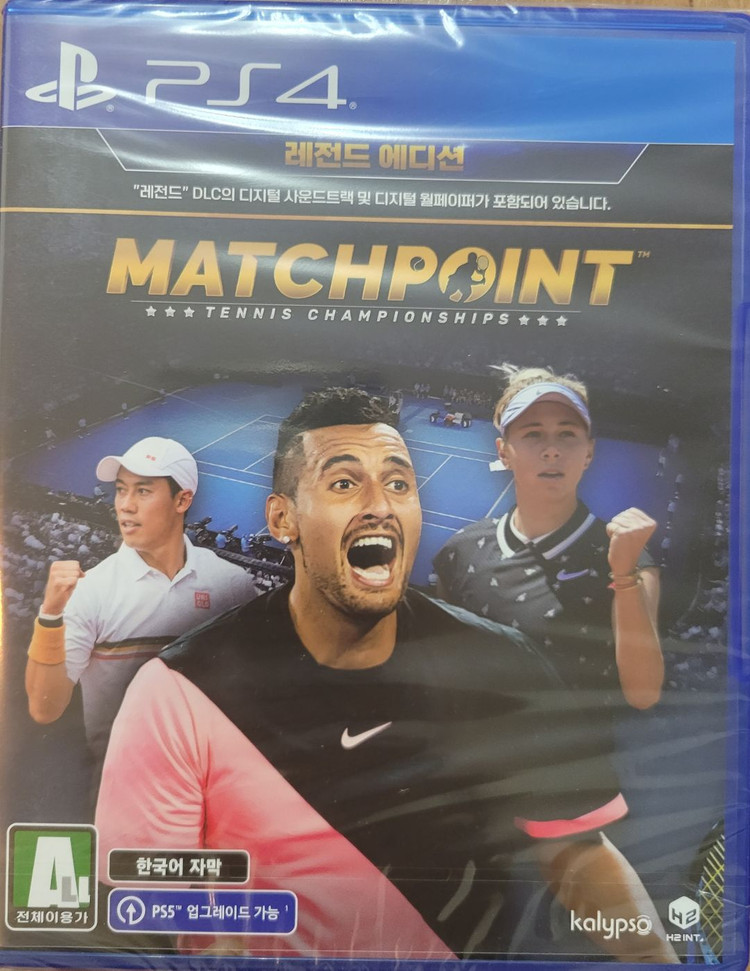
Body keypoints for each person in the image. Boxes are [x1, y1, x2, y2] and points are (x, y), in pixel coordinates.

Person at [95, 389, 676, 962]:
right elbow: (140, 904)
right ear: (282, 518)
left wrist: (657, 960)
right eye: (344, 484)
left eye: (398, 484)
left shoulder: (504, 666)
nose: (380, 505)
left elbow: (577, 854)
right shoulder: (179, 691)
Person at [435, 366, 664, 712]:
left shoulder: (630, 558)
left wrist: (623, 575)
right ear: (503, 452)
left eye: (567, 434)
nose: (552, 450)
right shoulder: (459, 551)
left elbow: (643, 694)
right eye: (533, 434)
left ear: (588, 452)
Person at [25, 436, 258, 765]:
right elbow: (44, 708)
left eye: (143, 491)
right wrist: (50, 616)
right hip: (120, 778)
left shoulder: (232, 584)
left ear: (182, 500)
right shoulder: (90, 589)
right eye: (121, 490)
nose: (125, 505)